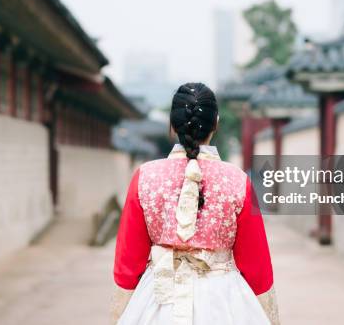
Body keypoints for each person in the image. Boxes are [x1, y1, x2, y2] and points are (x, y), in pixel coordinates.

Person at [111, 83, 280, 325]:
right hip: (223, 300)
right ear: (216, 123)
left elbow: (128, 263)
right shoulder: (237, 181)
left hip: (158, 298)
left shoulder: (144, 177)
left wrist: (121, 313)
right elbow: (256, 265)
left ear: (172, 125)